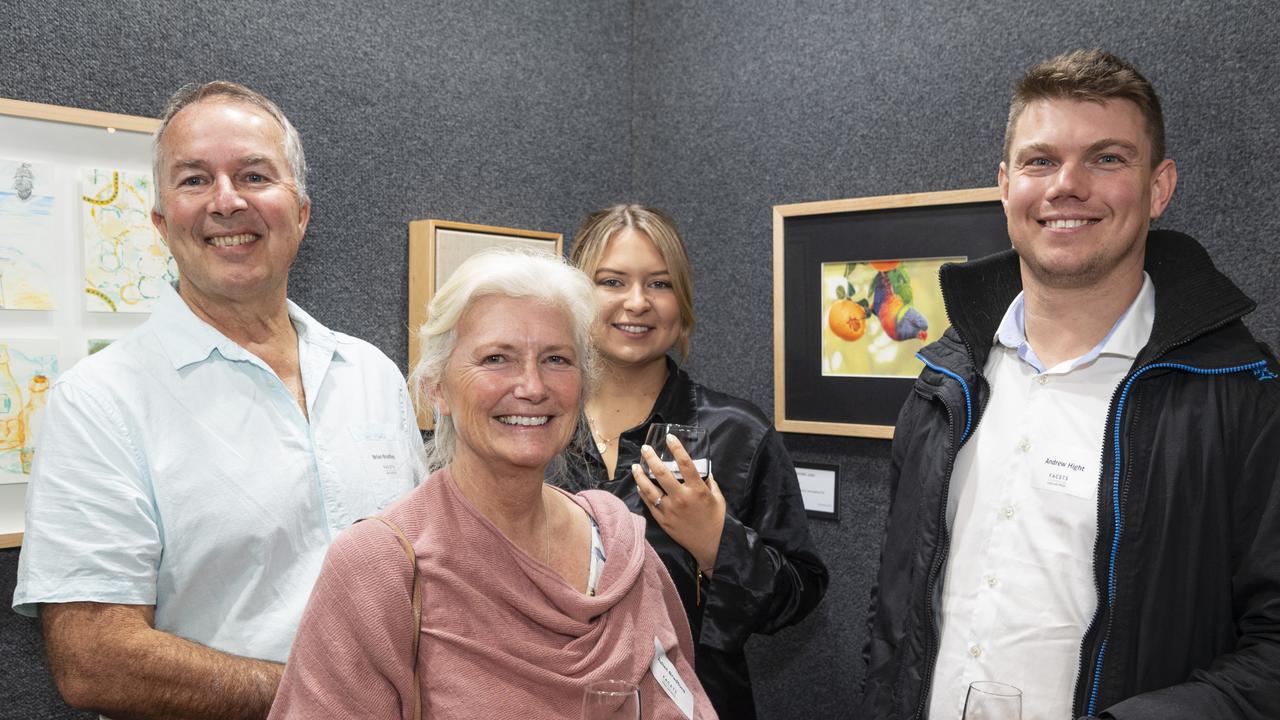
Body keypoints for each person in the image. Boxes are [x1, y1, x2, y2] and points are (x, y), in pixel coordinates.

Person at [859, 49, 1280, 720]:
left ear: (1159, 186)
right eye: (1040, 160)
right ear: (1005, 185)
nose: (1067, 185)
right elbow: (899, 607)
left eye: (1108, 159)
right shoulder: (945, 381)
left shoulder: (1240, 395)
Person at [12, 81, 424, 719]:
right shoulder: (98, 403)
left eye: (255, 175)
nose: (226, 202)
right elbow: (94, 660)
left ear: (302, 211)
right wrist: (326, 696)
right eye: (194, 180)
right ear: (159, 222)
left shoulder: (372, 374)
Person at [268, 249, 716, 719]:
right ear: (436, 388)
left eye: (556, 359)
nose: (532, 386)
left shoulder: (620, 548)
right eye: (497, 358)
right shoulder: (381, 571)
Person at [557, 204, 829, 719]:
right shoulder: (538, 429)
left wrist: (717, 544)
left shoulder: (735, 433)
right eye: (612, 281)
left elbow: (801, 590)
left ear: (682, 303)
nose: (637, 303)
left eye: (659, 284)